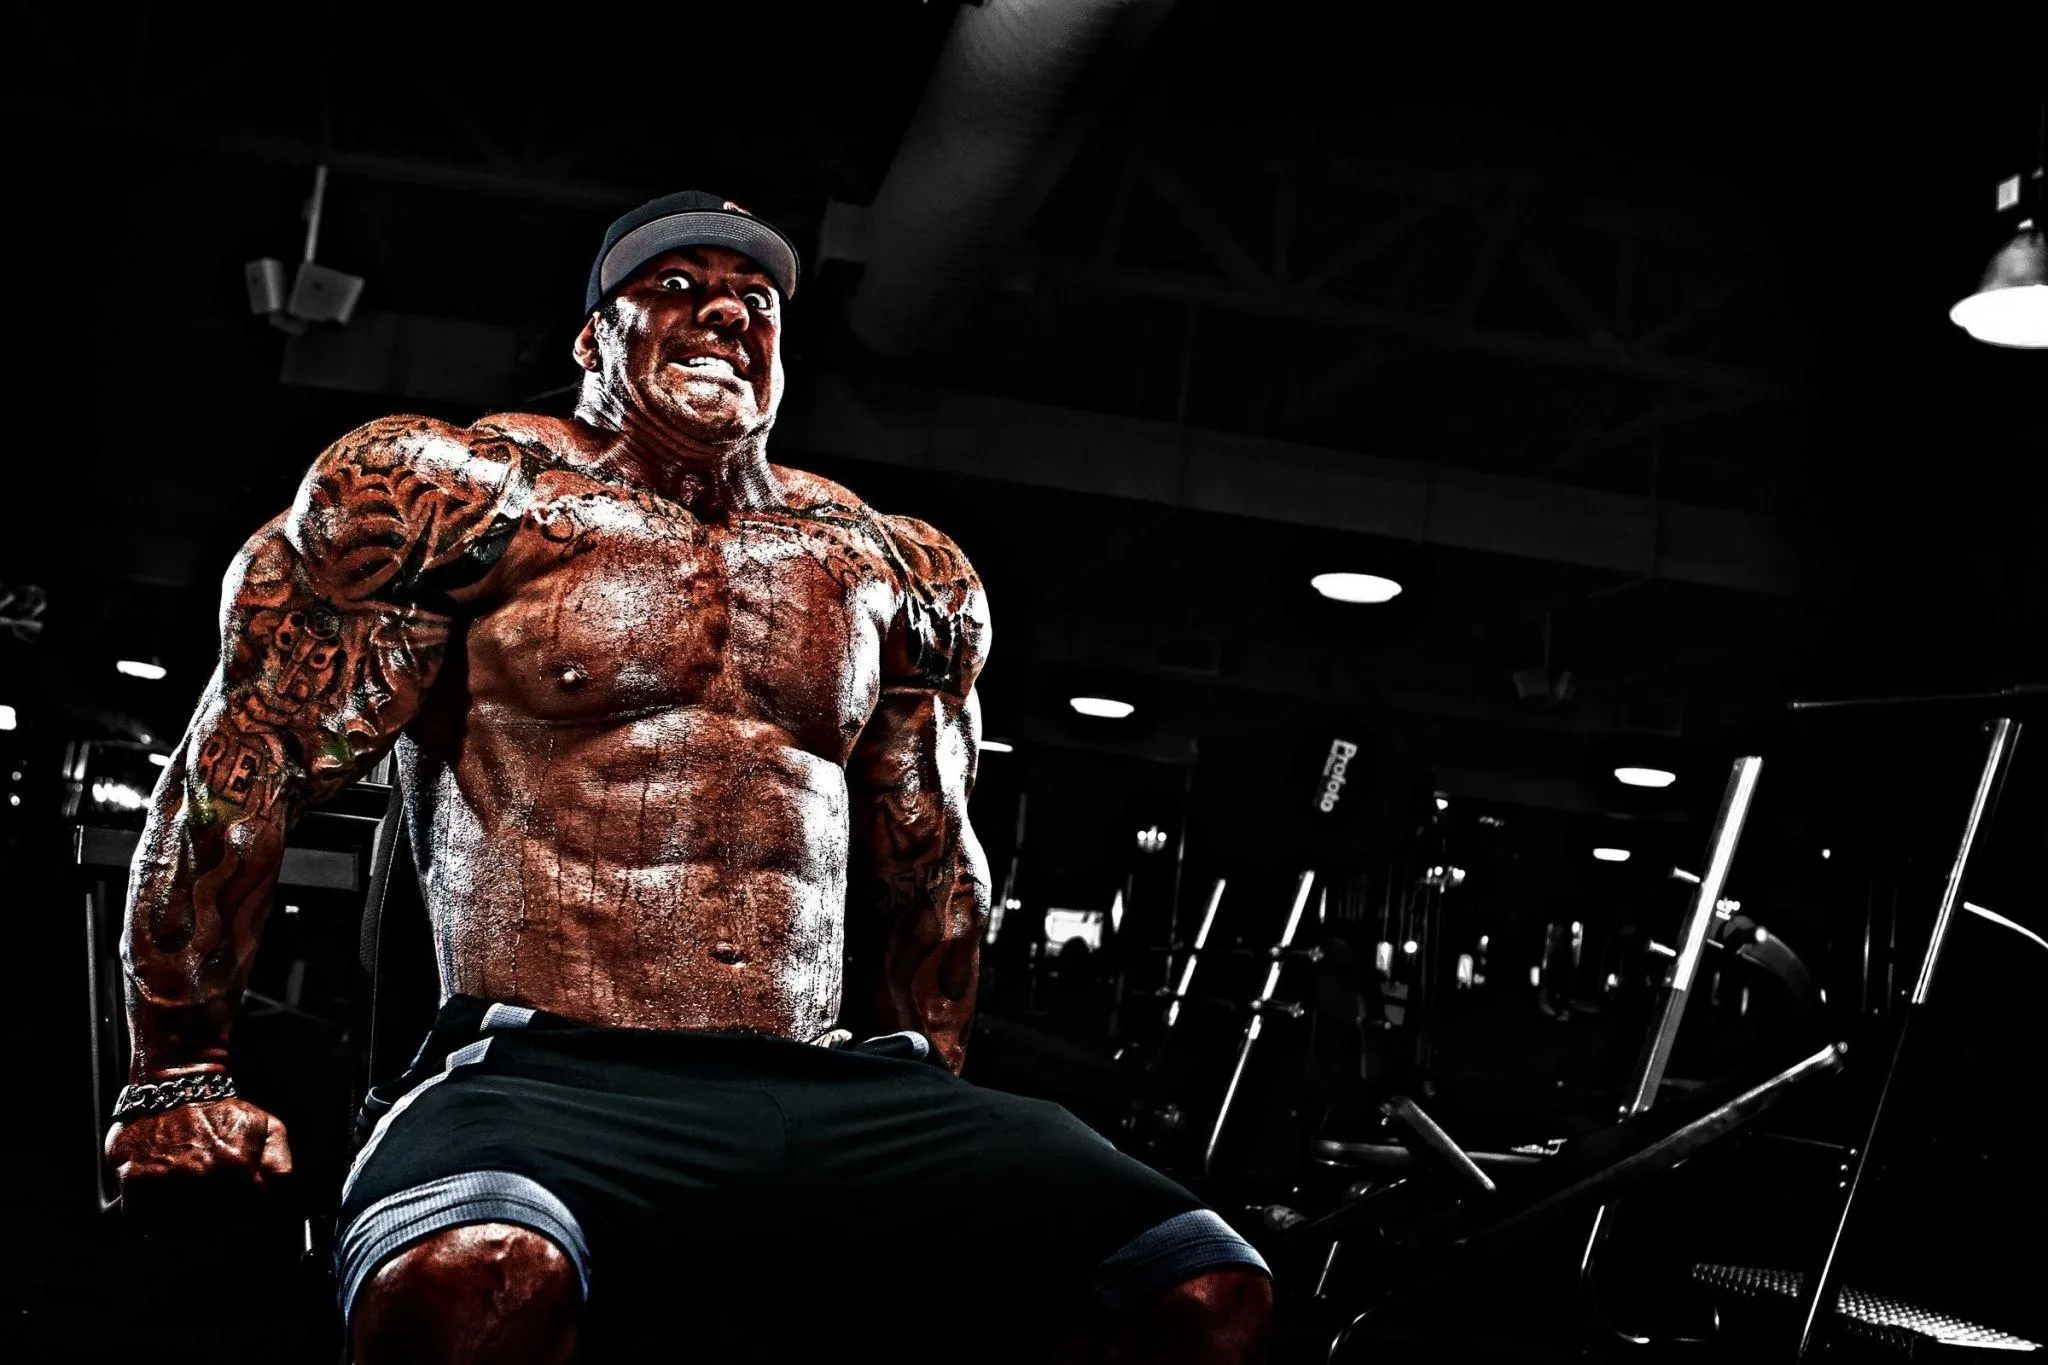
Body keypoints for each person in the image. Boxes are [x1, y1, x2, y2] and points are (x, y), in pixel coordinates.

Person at [104, 191, 1272, 1363]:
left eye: (755, 300)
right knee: (475, 1279)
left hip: (827, 1083)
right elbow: (242, 768)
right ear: (589, 339)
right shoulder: (451, 496)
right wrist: (176, 1077)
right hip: (540, 1071)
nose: (725, 312)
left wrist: (932, 1106)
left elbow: (929, 865)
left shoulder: (889, 566)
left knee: (1199, 1282)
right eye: (674, 286)